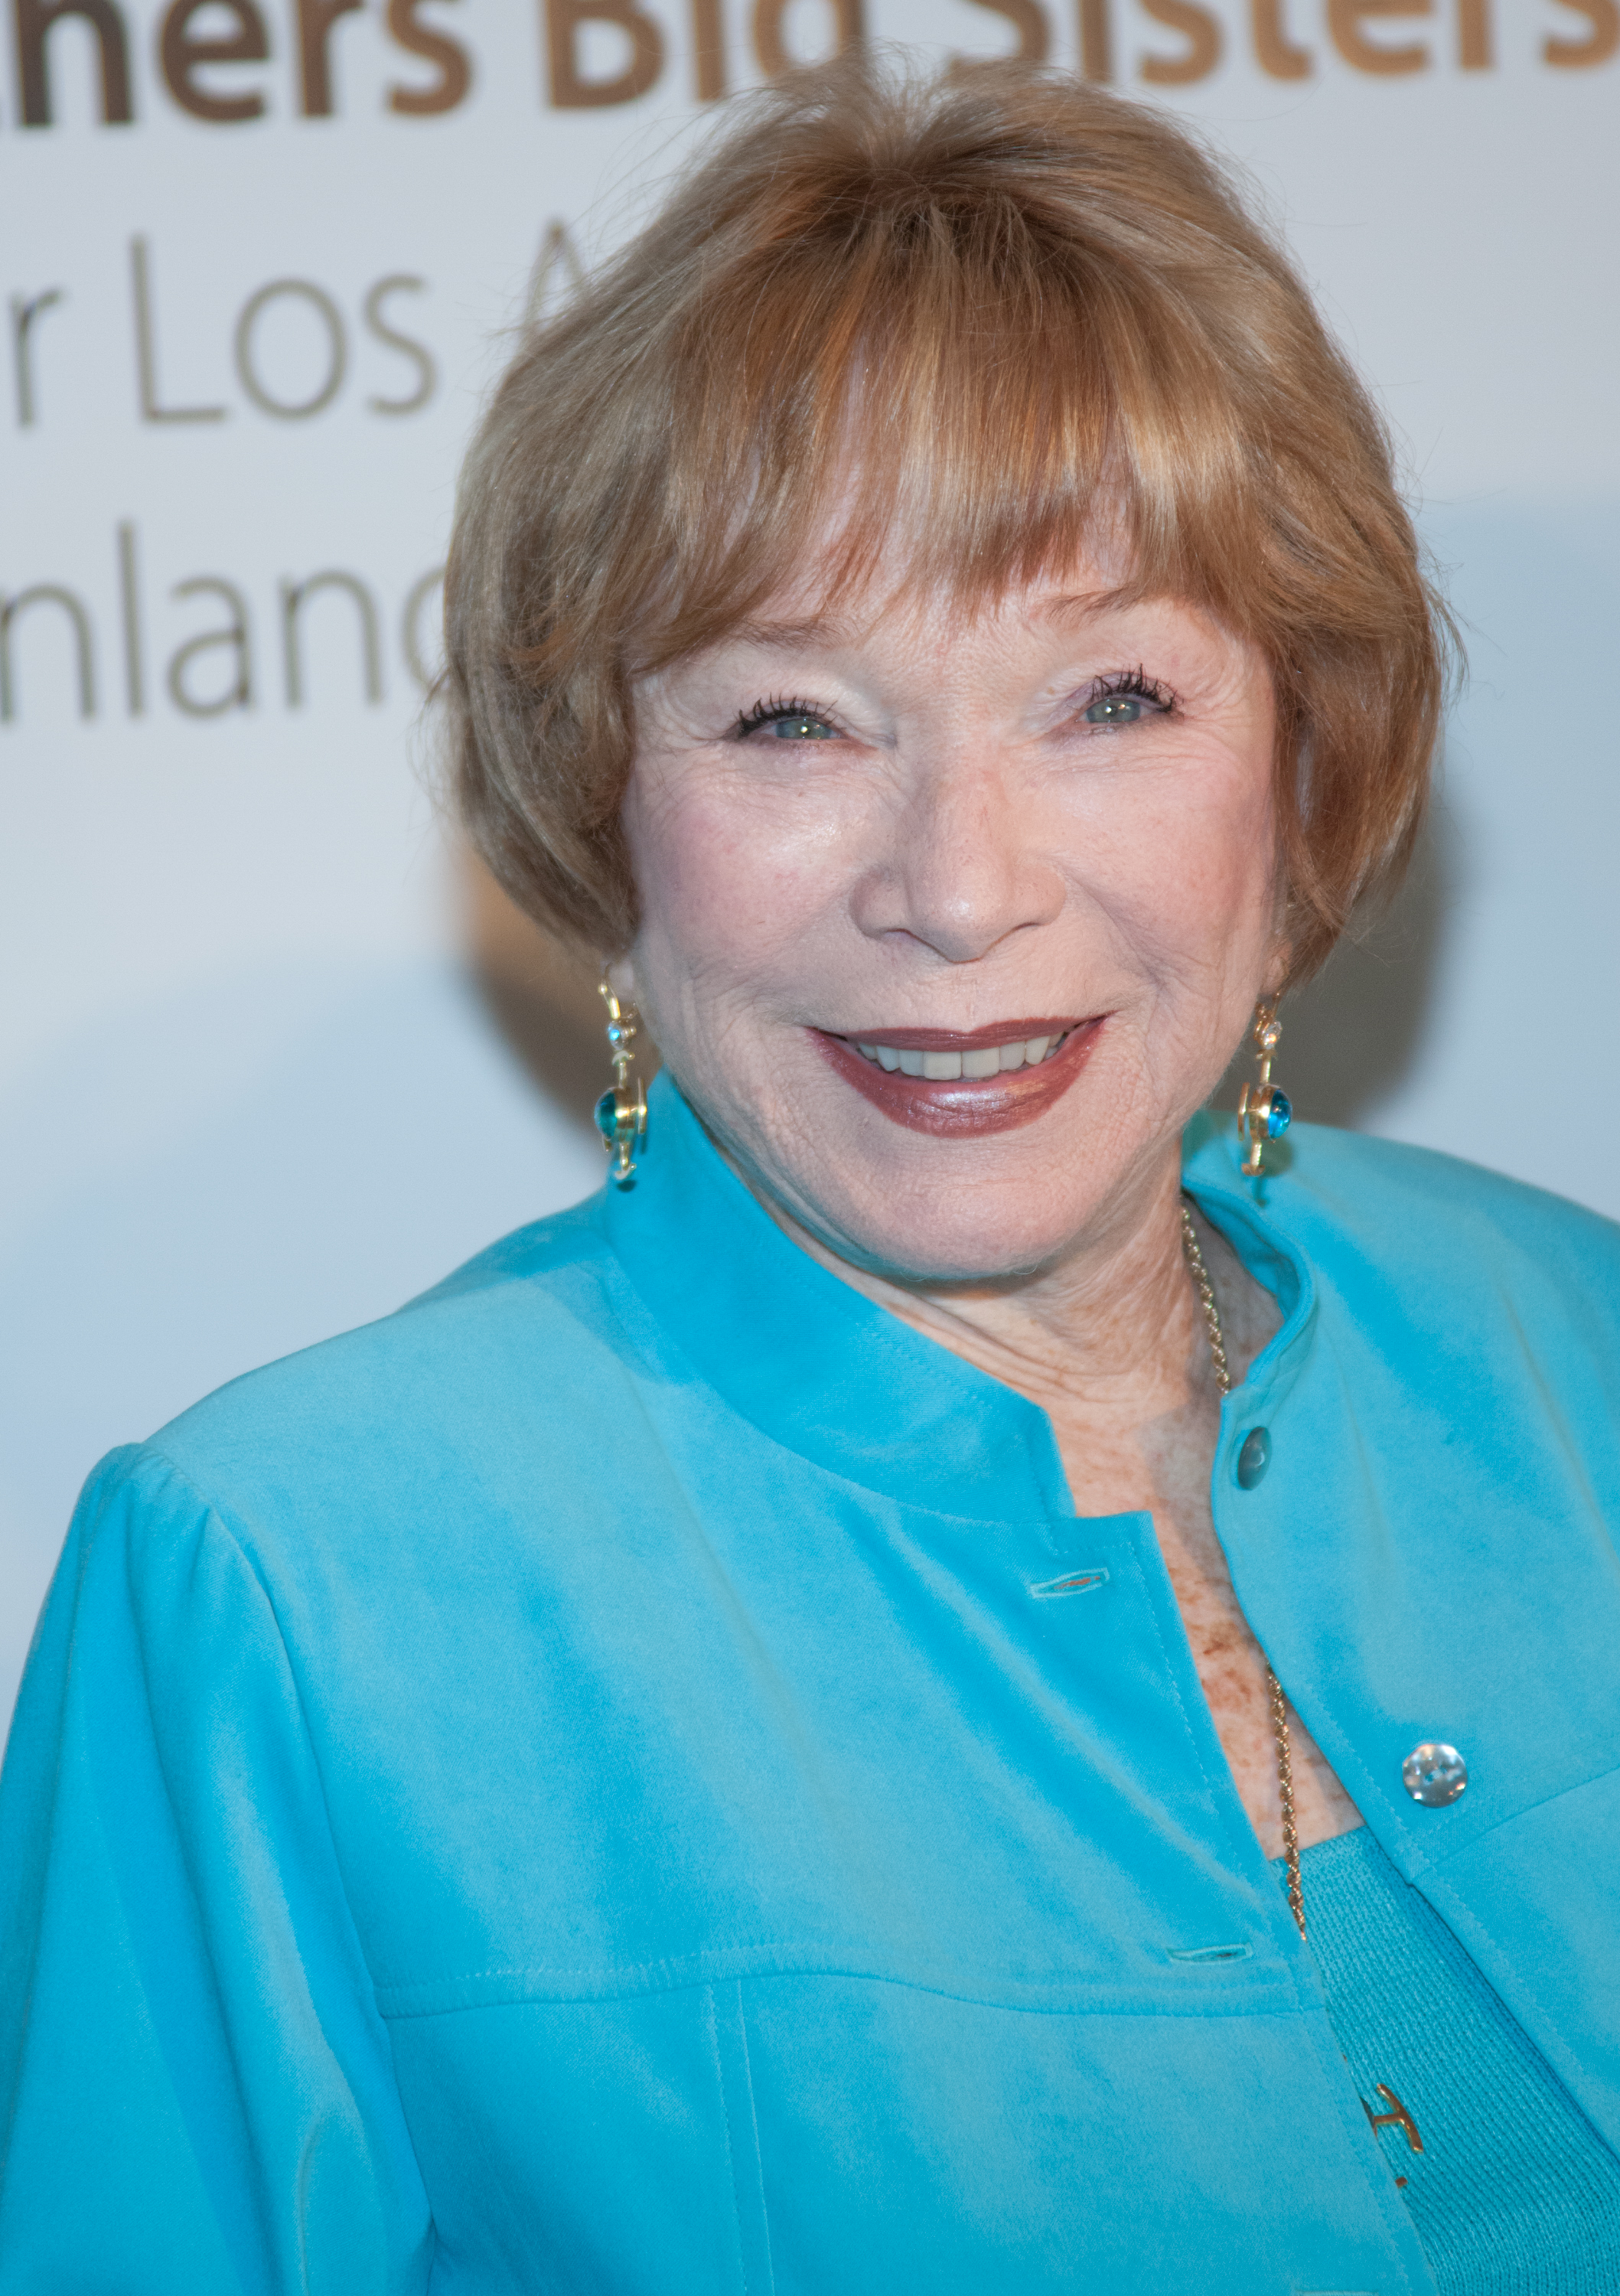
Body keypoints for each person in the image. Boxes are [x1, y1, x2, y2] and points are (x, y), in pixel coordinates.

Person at [2, 55, 1618, 2296]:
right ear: (604, 813)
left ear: (1308, 761)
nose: (958, 890)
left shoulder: (1581, 1349)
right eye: (791, 720)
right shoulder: (287, 1592)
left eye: (1113, 701)